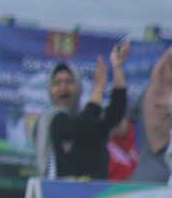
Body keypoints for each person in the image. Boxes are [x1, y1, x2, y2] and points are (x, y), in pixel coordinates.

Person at [34, 41, 130, 180]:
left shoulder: (88, 115)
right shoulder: (50, 118)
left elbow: (115, 113)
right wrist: (98, 87)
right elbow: (81, 128)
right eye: (57, 83)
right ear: (50, 90)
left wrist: (117, 68)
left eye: (69, 82)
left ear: (78, 87)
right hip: (60, 193)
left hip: (96, 195)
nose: (63, 88)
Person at [132, 45, 172, 184]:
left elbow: (121, 124)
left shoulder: (147, 94)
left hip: (144, 178)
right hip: (157, 182)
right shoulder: (147, 94)